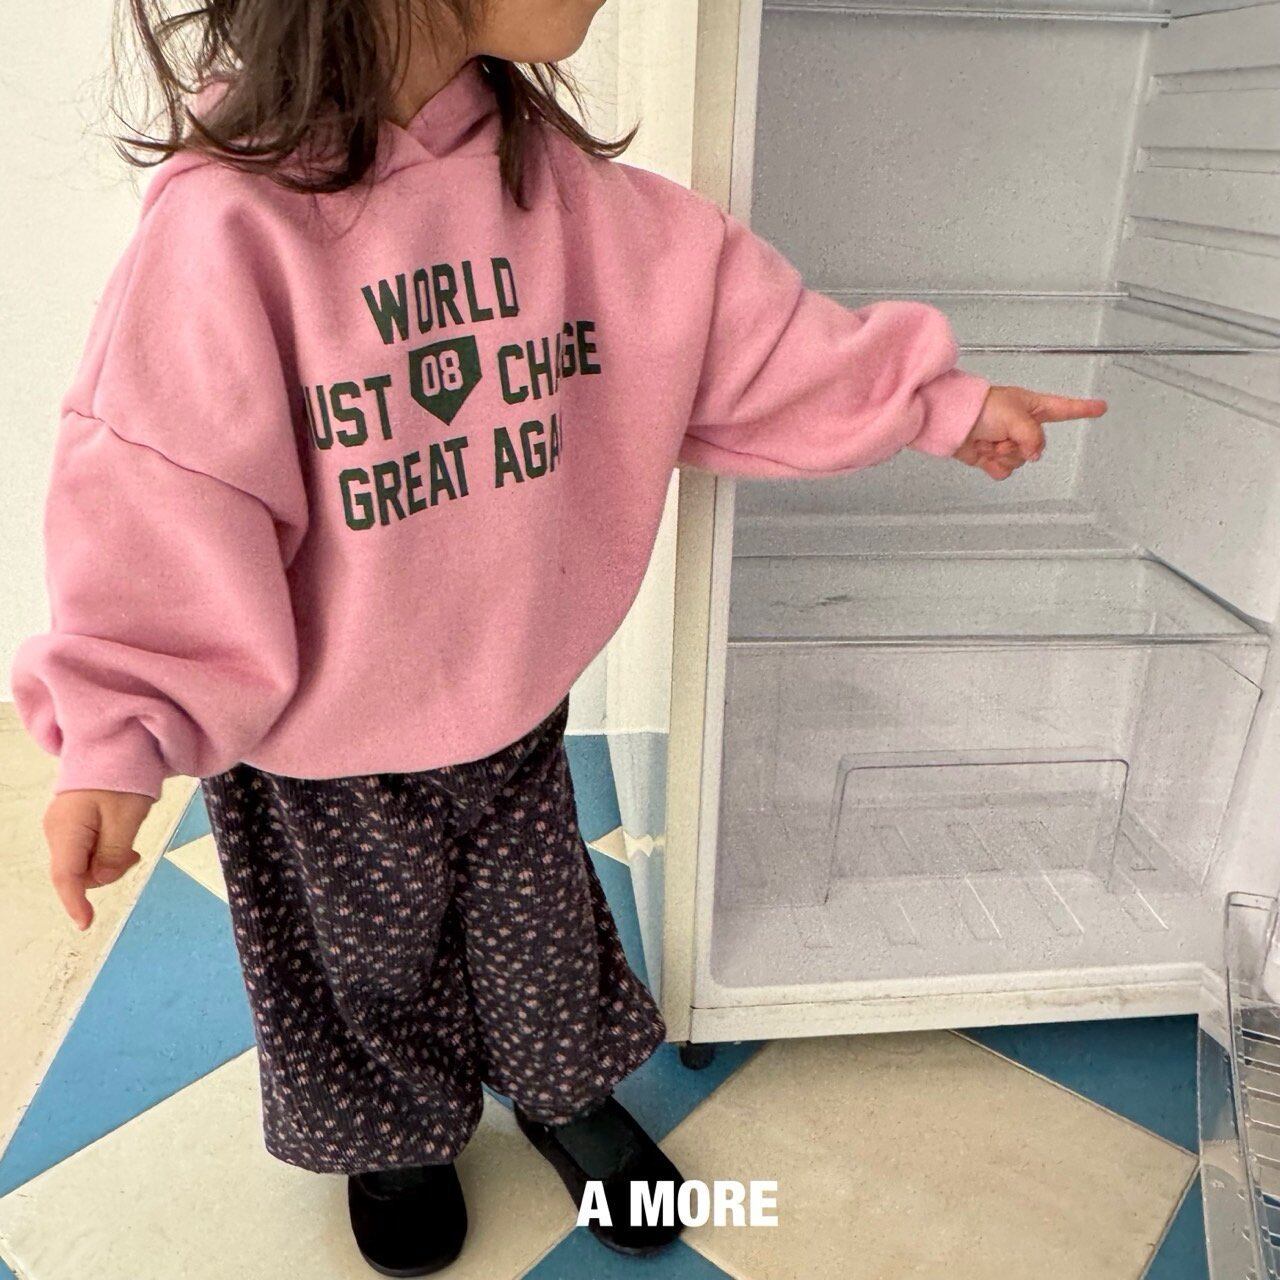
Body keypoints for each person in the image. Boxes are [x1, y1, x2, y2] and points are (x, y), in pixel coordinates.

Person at [11, 0, 1107, 1273]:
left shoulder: (563, 194)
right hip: (321, 745)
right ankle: (397, 1138)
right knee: (364, 966)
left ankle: (563, 1092)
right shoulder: (226, 228)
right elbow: (159, 492)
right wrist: (116, 730)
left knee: (540, 933)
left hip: (514, 698)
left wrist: (934, 401)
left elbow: (739, 329)